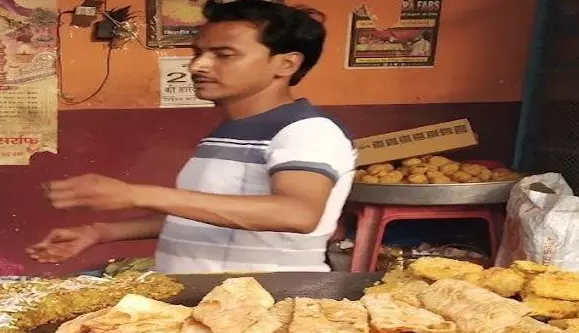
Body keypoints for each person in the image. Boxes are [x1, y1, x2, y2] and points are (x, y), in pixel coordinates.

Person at [28, 0, 355, 273]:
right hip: (211, 303)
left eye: (224, 54)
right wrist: (99, 232)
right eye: (198, 52)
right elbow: (209, 213)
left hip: (264, 309)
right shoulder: (230, 131)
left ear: (285, 64)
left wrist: (134, 194)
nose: (199, 65)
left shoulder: (308, 131)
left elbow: (296, 214)